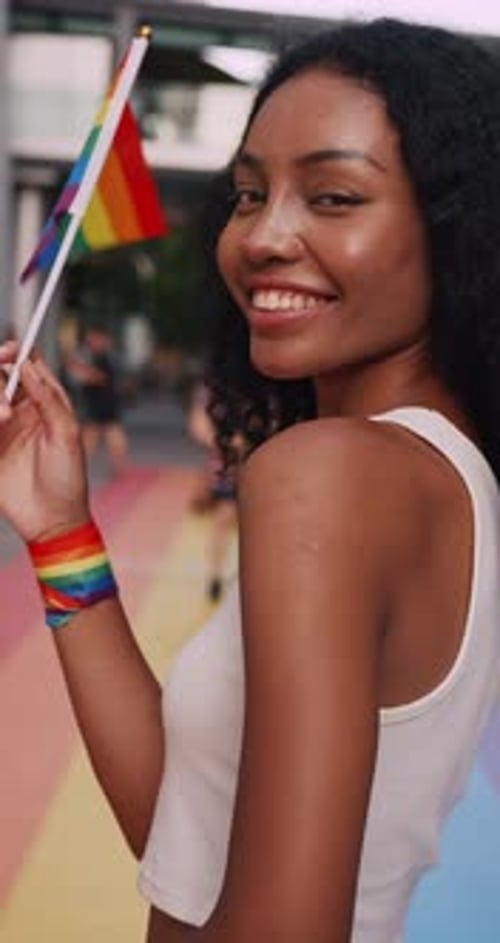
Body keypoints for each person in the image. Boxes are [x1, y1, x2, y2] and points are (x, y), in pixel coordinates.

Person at [1, 17, 500, 943]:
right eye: (246, 194)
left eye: (335, 196)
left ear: (452, 226)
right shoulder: (438, 475)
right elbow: (186, 841)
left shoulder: (329, 475)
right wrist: (60, 531)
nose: (265, 236)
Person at [187, 379, 238, 602]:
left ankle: (218, 578)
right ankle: (216, 577)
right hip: (229, 464)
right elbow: (198, 424)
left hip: (240, 462)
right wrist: (225, 443)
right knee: (224, 520)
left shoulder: (210, 385)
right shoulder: (210, 386)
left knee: (224, 522)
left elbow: (198, 424)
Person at [67, 325, 129, 477]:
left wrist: (81, 371)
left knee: (96, 434)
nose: (90, 342)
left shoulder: (104, 357)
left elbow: (100, 378)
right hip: (103, 401)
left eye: (93, 338)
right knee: (103, 433)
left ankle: (80, 466)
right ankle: (118, 465)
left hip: (103, 402)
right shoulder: (101, 356)